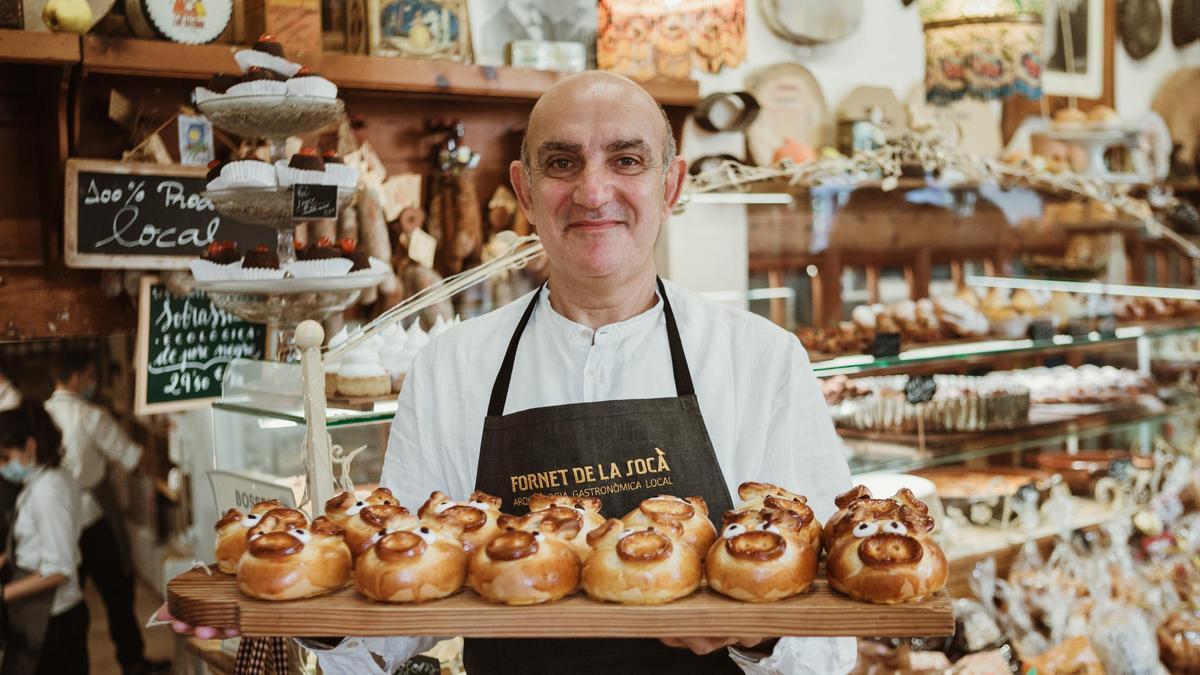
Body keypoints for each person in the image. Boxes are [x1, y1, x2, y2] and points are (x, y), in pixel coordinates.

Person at [166, 71, 856, 674]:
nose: (593, 190)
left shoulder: (762, 360)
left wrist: (762, 632)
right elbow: (398, 621)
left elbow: (833, 645)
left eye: (626, 159)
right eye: (562, 162)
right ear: (525, 190)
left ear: (671, 184)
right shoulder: (452, 367)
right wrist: (311, 608)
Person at [44, 353, 168, 675]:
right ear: (77, 376)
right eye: (89, 375)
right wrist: (151, 462)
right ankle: (132, 662)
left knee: (66, 599)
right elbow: (130, 456)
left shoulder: (43, 414)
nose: (91, 383)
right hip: (92, 516)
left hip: (54, 517)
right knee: (117, 590)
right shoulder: (90, 415)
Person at [0, 400, 88, 675]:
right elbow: (35, 541)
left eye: (4, 458)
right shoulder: (40, 480)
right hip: (39, 612)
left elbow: (60, 568)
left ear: (30, 446)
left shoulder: (49, 490)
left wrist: (3, 594)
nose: (1, 466)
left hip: (55, 619)